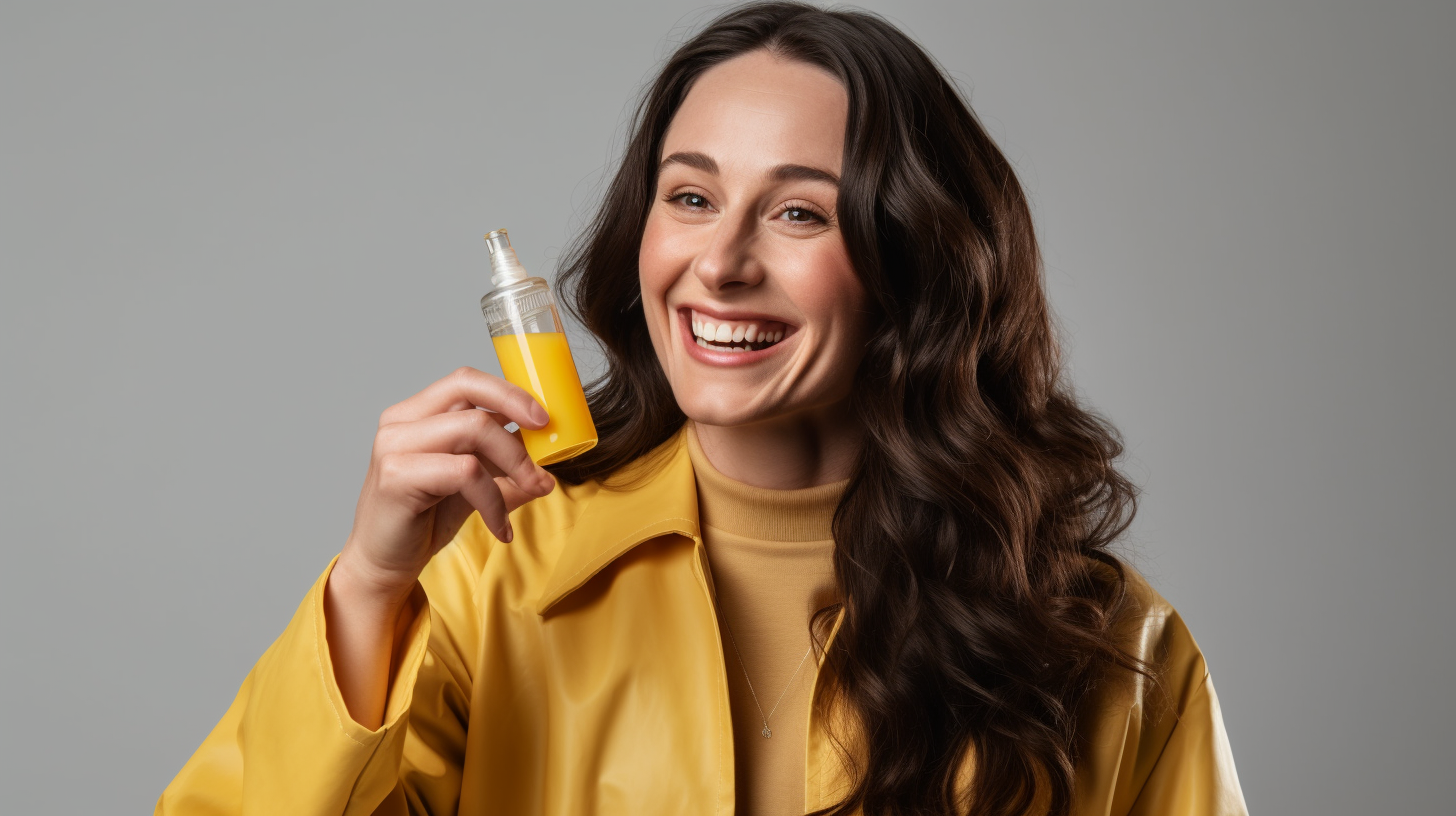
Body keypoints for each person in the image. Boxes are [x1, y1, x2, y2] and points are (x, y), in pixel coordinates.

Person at [157, 3, 1246, 815]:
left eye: (797, 213)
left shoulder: (1107, 646)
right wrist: (369, 588)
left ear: (915, 263)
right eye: (690, 196)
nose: (719, 263)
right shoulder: (497, 578)